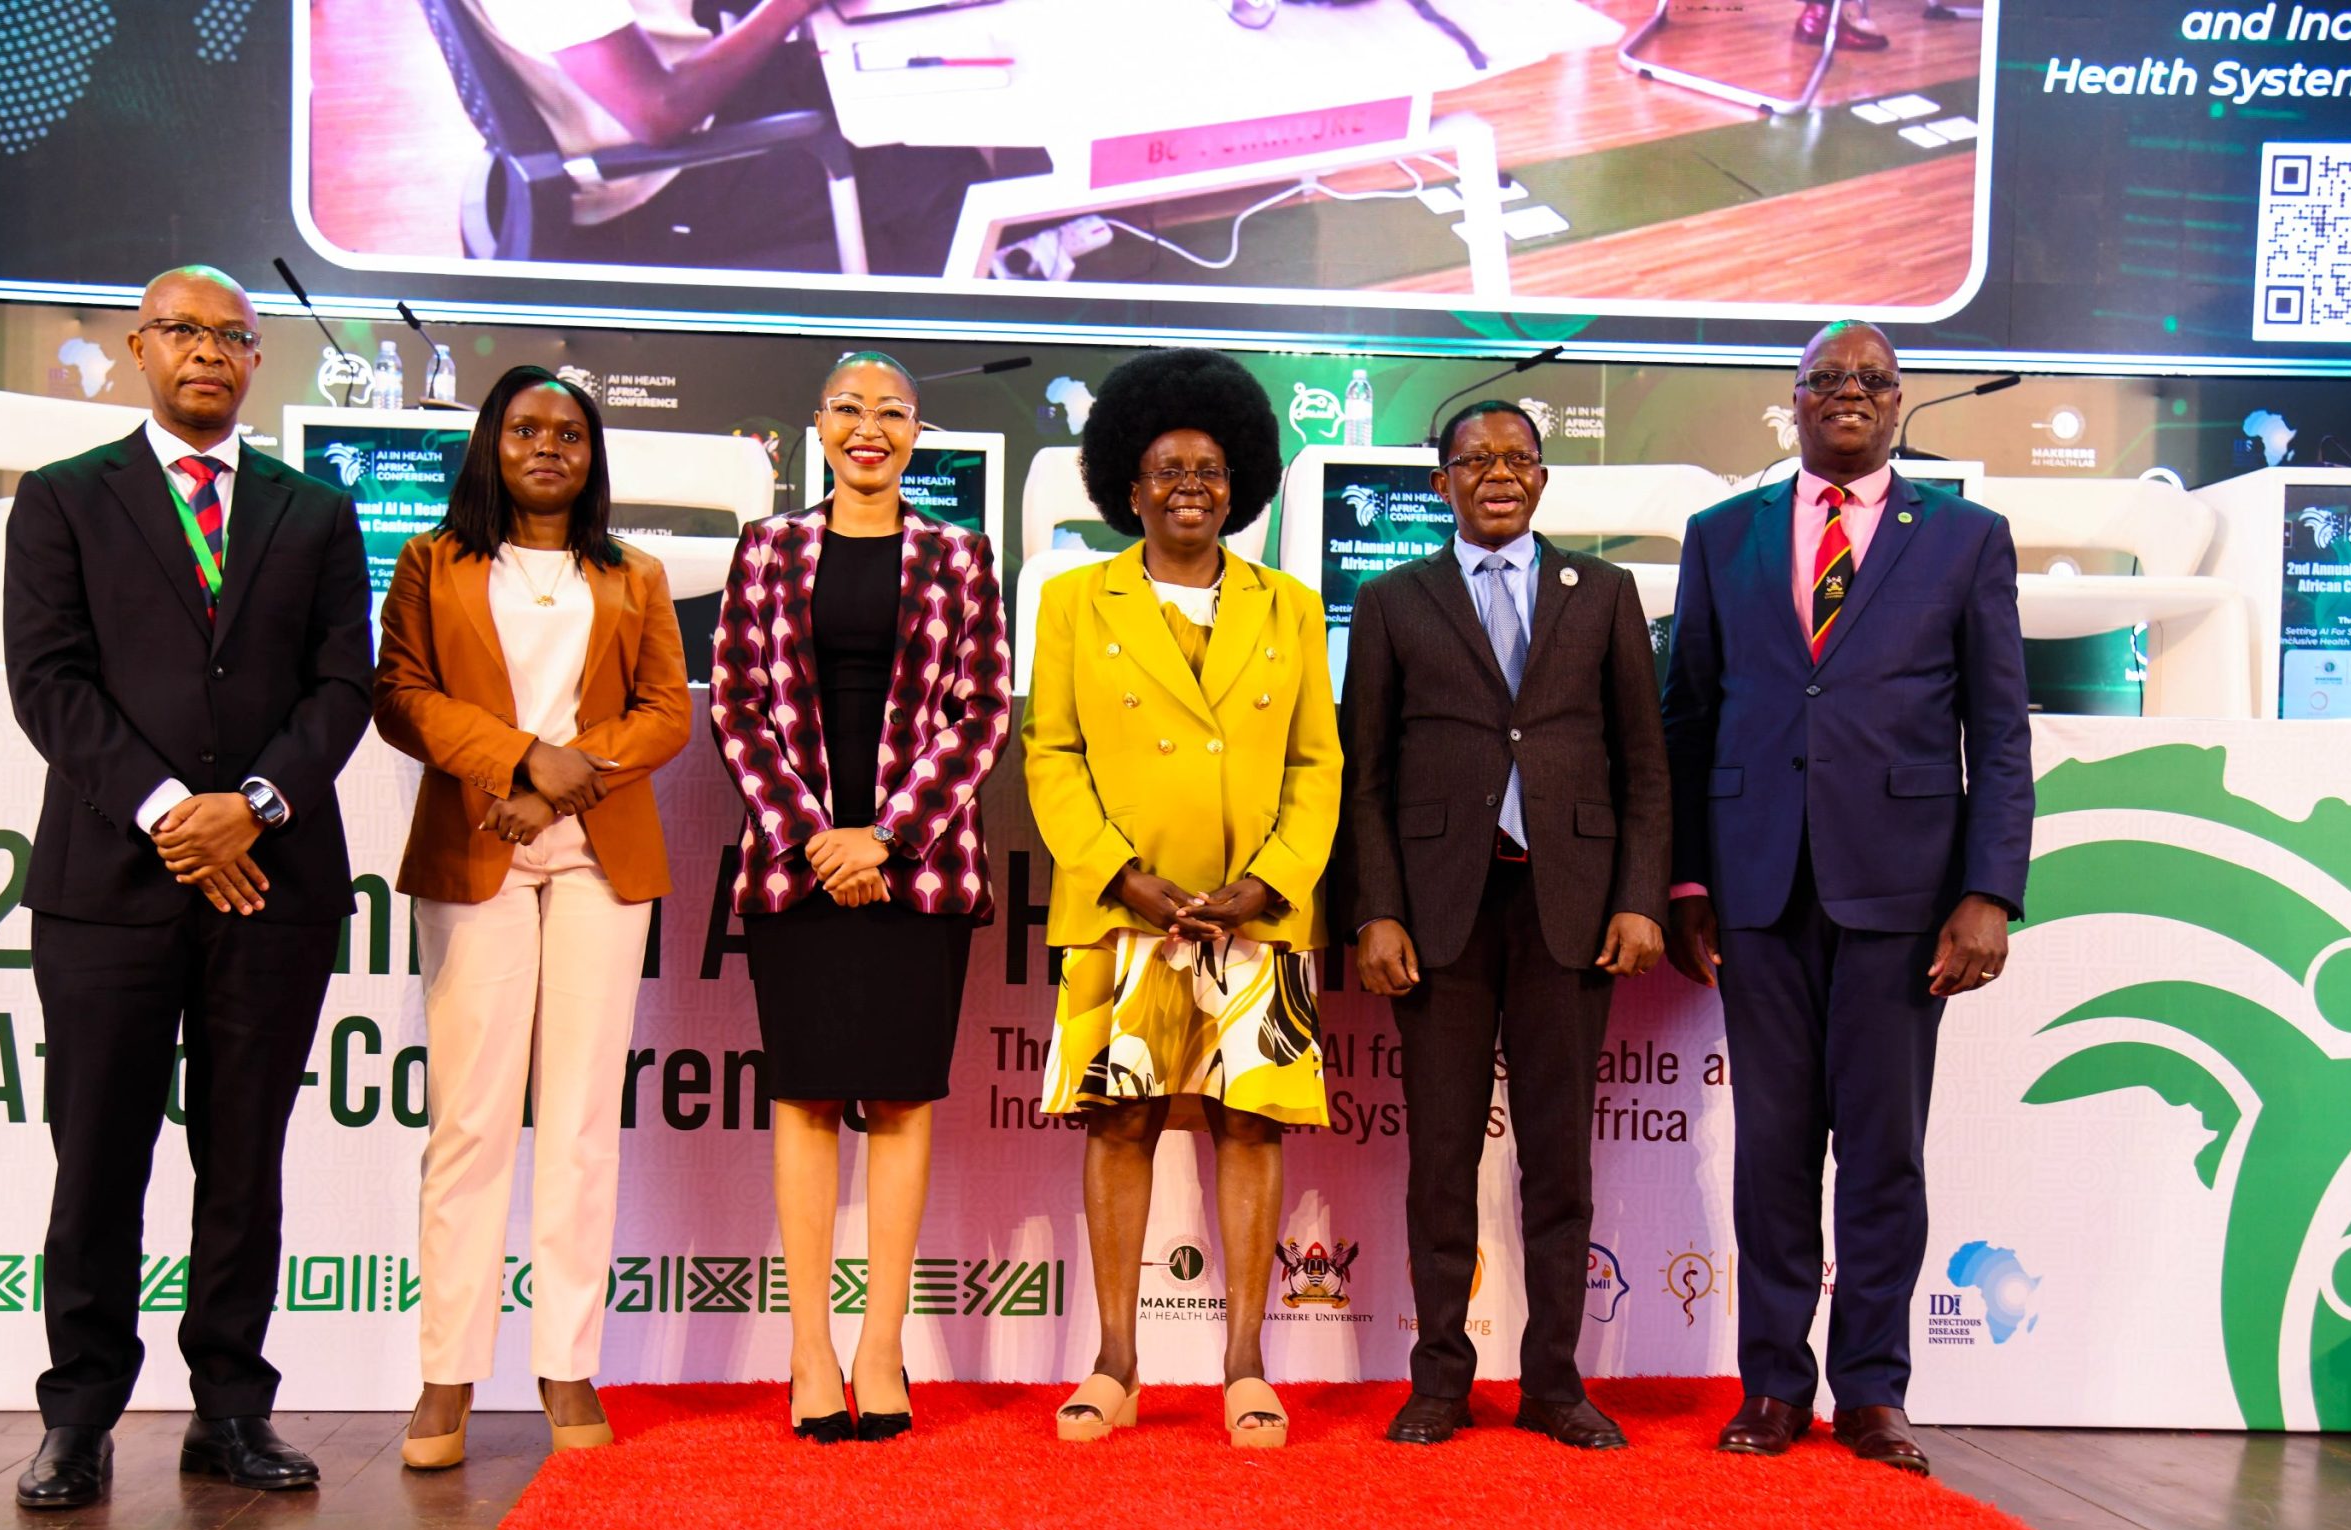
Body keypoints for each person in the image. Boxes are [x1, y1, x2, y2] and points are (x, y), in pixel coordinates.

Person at [2, 265, 373, 1508]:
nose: (206, 352)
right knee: (96, 1154)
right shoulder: (61, 502)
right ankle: (79, 1416)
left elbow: (341, 693)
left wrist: (251, 810)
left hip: (273, 885)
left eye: (230, 336)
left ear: (257, 360)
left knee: (243, 1156)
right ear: (137, 349)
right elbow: (50, 684)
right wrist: (174, 817)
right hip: (111, 882)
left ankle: (230, 1410)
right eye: (182, 333)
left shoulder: (315, 514)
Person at [1661, 320, 2031, 1476]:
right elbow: (1689, 714)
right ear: (1795, 401)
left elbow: (1999, 733)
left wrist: (1987, 893)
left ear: (1899, 399)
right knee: (1773, 1147)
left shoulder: (1966, 539)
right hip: (1757, 887)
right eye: (1826, 379)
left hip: (1904, 894)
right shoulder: (1722, 535)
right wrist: (1684, 876)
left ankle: (1872, 1392)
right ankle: (1771, 1385)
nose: (1848, 395)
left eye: (1869, 379)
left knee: (1882, 1153)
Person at [1022, 347, 1341, 1449]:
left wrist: (1269, 881)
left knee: (1250, 1129)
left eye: (1208, 469)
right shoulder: (1074, 600)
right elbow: (1049, 754)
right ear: (1128, 485)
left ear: (1238, 480)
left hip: (1254, 917)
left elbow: (1316, 766)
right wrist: (1125, 876)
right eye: (1166, 471)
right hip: (1123, 916)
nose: (1189, 488)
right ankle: (1114, 1364)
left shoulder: (1288, 608)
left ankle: (1245, 1367)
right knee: (1119, 1128)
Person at [374, 366, 690, 1469]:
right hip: (476, 849)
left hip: (599, 852)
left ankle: (566, 1363)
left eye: (569, 432)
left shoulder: (635, 573)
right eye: (526, 428)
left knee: (579, 1120)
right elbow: (403, 697)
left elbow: (665, 713)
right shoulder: (431, 563)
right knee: (468, 1120)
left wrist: (562, 776)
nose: (549, 446)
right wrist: (515, 758)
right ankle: (446, 1374)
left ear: (594, 454)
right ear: (490, 444)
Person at [1339, 401, 1671, 1451]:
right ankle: (1438, 1379)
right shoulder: (1392, 600)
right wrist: (1376, 911)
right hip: (1439, 914)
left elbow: (1644, 765)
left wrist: (1637, 897)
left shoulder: (1605, 594)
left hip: (1569, 907)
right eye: (1473, 460)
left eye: (1515, 458)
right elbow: (1367, 776)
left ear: (1539, 477)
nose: (1496, 473)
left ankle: (1554, 1383)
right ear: (1440, 483)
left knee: (1558, 1161)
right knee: (1439, 1155)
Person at [710, 352, 1010, 1443]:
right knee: (799, 1097)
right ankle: (807, 1349)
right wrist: (815, 837)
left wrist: (881, 837)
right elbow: (737, 708)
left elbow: (979, 715)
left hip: (915, 870)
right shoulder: (767, 549)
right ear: (818, 428)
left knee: (897, 1098)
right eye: (849, 410)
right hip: (795, 868)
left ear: (916, 432)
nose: (868, 428)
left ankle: (880, 1346)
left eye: (891, 412)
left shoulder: (960, 556)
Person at [453, 0, 986, 274]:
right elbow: (658, 112)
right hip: (661, 179)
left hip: (690, 101)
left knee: (923, 92)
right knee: (941, 175)